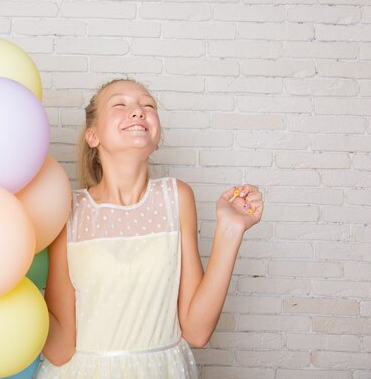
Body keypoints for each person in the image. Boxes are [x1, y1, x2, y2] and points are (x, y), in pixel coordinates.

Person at [34, 78, 264, 379]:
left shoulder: (177, 198)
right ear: (92, 135)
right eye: (120, 104)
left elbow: (197, 331)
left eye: (148, 106)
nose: (138, 112)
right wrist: (17, 296)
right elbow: (61, 347)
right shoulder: (67, 210)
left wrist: (231, 231)